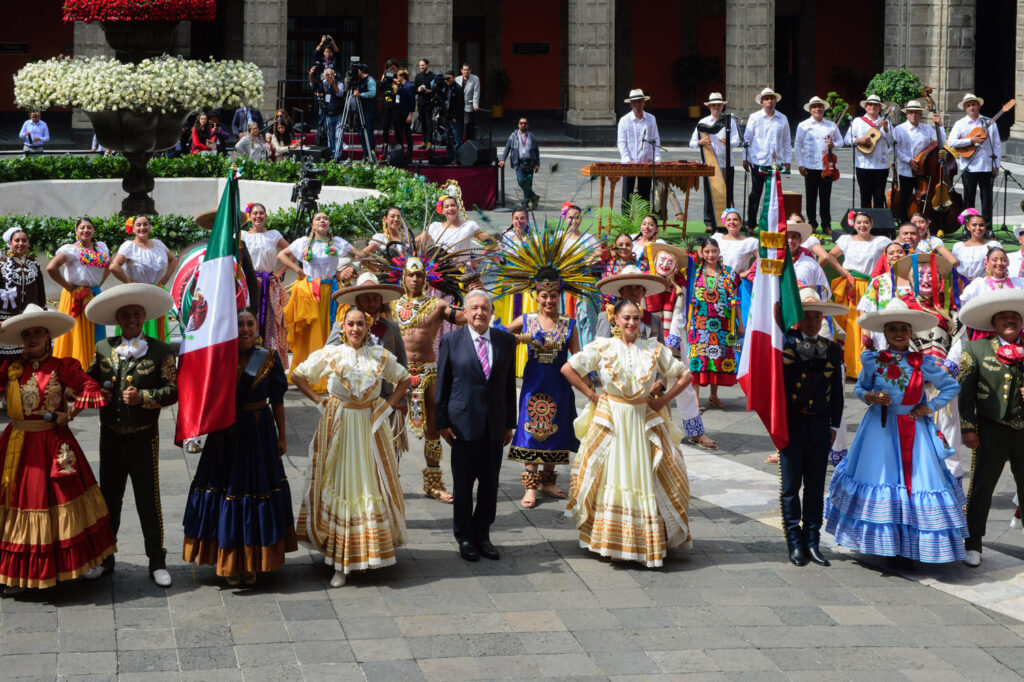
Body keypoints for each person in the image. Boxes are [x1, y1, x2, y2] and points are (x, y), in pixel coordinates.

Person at [826, 299, 967, 566]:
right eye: (893, 329)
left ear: (911, 332)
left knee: (918, 481)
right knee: (882, 479)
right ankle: (886, 545)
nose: (899, 333)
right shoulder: (872, 360)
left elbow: (950, 387)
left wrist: (929, 406)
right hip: (880, 429)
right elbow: (858, 389)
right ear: (885, 334)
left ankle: (911, 546)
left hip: (915, 428)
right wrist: (869, 396)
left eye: (904, 328)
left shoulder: (922, 362)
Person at [561, 299, 693, 567]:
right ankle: (611, 540)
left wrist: (661, 400)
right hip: (613, 419)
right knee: (611, 473)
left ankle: (644, 541)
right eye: (626, 318)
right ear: (616, 320)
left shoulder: (653, 348)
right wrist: (591, 395)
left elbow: (685, 374)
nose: (631, 323)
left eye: (635, 318)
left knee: (644, 475)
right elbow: (568, 368)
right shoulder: (604, 346)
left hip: (642, 419)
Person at [292, 307, 411, 587]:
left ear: (367, 328)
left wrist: (388, 403)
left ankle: (369, 553)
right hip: (340, 426)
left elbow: (405, 378)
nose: (355, 329)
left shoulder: (380, 355)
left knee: (369, 485)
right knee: (342, 484)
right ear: (342, 327)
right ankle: (341, 562)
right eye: (350, 324)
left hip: (370, 427)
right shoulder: (332, 353)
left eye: (360, 324)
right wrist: (320, 401)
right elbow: (298, 375)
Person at [0, 304, 113, 592]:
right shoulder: (11, 369)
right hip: (16, 446)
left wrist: (70, 414)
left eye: (38, 332)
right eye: (27, 334)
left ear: (48, 336)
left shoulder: (63, 366)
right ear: (22, 340)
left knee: (58, 499)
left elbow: (90, 388)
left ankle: (72, 563)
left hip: (52, 443)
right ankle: (15, 567)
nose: (33, 338)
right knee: (16, 502)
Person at [182, 311, 297, 586]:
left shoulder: (268, 358)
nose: (245, 329)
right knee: (227, 489)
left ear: (257, 326)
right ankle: (230, 561)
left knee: (257, 490)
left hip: (259, 434)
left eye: (250, 324)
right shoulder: (219, 356)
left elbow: (278, 401)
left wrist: (282, 437)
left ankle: (255, 561)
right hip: (225, 435)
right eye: (239, 324)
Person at [491, 230, 598, 508]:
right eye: (543, 296)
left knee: (558, 430)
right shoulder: (526, 320)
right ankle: (530, 486)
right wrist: (524, 338)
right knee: (530, 431)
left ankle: (549, 481)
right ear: (536, 296)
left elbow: (578, 359)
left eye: (553, 296)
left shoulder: (568, 324)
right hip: (534, 386)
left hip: (560, 388)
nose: (548, 301)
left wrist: (591, 387)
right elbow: (499, 334)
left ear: (559, 295)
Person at [84, 284, 178, 587]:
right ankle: (105, 559)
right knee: (108, 499)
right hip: (110, 436)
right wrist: (98, 392)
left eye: (137, 314)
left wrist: (145, 397)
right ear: (118, 319)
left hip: (143, 437)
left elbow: (174, 390)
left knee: (147, 501)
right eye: (126, 315)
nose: (132, 319)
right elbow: (86, 381)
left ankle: (157, 560)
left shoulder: (161, 349)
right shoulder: (103, 348)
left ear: (144, 317)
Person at [361, 241, 469, 503]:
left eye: (419, 274)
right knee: (390, 428)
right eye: (410, 274)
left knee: (434, 429)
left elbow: (467, 317)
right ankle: (386, 480)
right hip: (395, 373)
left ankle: (433, 483)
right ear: (403, 277)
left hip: (429, 373)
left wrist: (478, 300)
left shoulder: (437, 306)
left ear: (426, 277)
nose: (414, 278)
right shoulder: (391, 306)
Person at [436, 290, 517, 561]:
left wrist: (510, 423)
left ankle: (483, 534)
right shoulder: (451, 340)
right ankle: (465, 537)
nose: (479, 313)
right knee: (462, 485)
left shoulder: (505, 341)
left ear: (491, 311)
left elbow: (508, 386)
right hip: (462, 424)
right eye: (474, 308)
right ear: (466, 312)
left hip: (495, 424)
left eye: (484, 308)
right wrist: (441, 422)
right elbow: (443, 383)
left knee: (490, 484)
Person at [780, 290, 848, 566]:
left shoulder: (832, 349)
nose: (811, 322)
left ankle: (813, 540)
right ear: (799, 319)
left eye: (817, 317)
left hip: (820, 422)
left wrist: (834, 424)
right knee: (790, 486)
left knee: (816, 485)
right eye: (807, 317)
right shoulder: (785, 344)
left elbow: (838, 391)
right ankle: (794, 542)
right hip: (793, 422)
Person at [958, 289, 1024, 567]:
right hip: (990, 429)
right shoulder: (977, 349)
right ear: (994, 322)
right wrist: (968, 428)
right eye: (1003, 317)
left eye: (1014, 317)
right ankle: (973, 543)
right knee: (981, 489)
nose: (1009, 321)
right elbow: (965, 393)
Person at [328, 272, 408, 458]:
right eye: (367, 298)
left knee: (384, 454)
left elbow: (402, 364)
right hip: (353, 405)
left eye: (375, 298)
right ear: (358, 301)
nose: (372, 303)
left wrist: (402, 399)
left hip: (385, 402)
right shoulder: (342, 327)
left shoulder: (390, 328)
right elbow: (329, 356)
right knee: (356, 455)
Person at [278, 212, 355, 390]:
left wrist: (347, 269)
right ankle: (311, 374)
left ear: (329, 224)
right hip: (310, 291)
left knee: (331, 329)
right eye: (318, 219)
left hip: (332, 290)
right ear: (312, 224)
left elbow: (356, 254)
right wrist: (298, 270)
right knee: (312, 331)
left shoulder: (337, 242)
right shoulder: (304, 242)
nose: (322, 221)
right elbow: (282, 255)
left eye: (325, 218)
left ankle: (331, 374)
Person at [829, 210, 892, 377]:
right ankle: (853, 366)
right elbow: (831, 256)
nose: (862, 225)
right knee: (853, 324)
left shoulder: (881, 241)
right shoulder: (846, 240)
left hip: (871, 285)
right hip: (852, 284)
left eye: (865, 222)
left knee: (867, 324)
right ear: (853, 224)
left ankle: (868, 366)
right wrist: (844, 273)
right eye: (859, 222)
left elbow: (891, 255)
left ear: (871, 224)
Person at [46, 217, 110, 369]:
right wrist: (68, 287)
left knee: (96, 332)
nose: (85, 230)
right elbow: (51, 267)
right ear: (76, 231)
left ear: (93, 230)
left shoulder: (100, 248)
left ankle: (95, 368)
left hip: (94, 294)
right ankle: (78, 369)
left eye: (89, 227)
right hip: (76, 296)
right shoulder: (72, 250)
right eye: (82, 228)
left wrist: (99, 283)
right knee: (78, 335)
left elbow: (109, 264)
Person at [687, 237, 743, 408]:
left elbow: (735, 300)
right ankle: (695, 399)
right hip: (700, 324)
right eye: (707, 251)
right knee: (697, 358)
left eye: (714, 251)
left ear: (719, 252)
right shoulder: (695, 273)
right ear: (701, 253)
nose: (711, 254)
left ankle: (713, 395)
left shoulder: (729, 273)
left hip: (723, 325)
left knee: (717, 358)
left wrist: (740, 323)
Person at [109, 215, 179, 341]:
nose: (142, 227)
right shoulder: (129, 246)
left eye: (145, 224)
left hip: (156, 291)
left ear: (150, 227)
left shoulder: (158, 244)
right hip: (137, 293)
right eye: (139, 225)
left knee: (155, 321)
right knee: (138, 321)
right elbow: (114, 266)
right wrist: (129, 282)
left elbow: (173, 259)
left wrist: (166, 278)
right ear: (133, 229)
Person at [241, 203, 291, 360]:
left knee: (272, 322)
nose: (258, 216)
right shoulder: (243, 235)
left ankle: (271, 360)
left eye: (261, 213)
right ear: (250, 217)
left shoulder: (273, 235)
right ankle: (248, 357)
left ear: (266, 216)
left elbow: (292, 252)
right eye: (255, 213)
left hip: (269, 284)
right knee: (249, 317)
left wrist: (280, 272)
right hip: (248, 283)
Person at [948, 93, 1002, 228]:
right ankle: (968, 227)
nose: (971, 107)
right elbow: (952, 142)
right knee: (968, 199)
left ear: (978, 106)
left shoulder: (988, 122)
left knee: (987, 200)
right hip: (969, 167)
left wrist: (996, 165)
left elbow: (997, 145)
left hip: (987, 166)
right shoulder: (960, 124)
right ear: (965, 109)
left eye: (973, 104)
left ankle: (987, 227)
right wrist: (971, 140)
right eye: (968, 105)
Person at [689, 92, 741, 232]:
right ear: (709, 107)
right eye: (713, 105)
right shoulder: (703, 122)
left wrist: (729, 142)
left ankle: (728, 220)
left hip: (726, 163)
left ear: (723, 106)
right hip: (709, 164)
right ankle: (709, 222)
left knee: (727, 193)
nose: (716, 107)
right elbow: (692, 142)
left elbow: (737, 141)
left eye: (718, 105)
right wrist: (700, 142)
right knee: (708, 193)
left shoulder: (730, 121)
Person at [794, 96, 844, 236]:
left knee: (825, 197)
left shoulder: (831, 125)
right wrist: (800, 164)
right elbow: (797, 145)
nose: (817, 109)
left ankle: (826, 224)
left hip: (826, 167)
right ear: (810, 109)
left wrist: (834, 145)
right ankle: (812, 223)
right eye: (814, 107)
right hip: (809, 165)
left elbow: (841, 142)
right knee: (811, 197)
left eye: (820, 107)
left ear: (824, 109)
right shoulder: (803, 125)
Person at [743, 88, 791, 230]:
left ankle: (771, 224)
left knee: (774, 196)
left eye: (772, 98)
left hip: (776, 163)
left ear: (775, 101)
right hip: (759, 161)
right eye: (767, 99)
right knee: (755, 193)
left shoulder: (782, 118)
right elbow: (747, 139)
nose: (770, 101)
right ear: (762, 102)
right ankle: (751, 223)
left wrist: (788, 160)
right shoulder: (754, 117)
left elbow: (787, 141)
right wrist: (745, 158)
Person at [893, 100, 944, 223]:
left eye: (916, 113)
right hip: (906, 169)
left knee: (925, 197)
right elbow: (895, 149)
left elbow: (941, 143)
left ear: (920, 114)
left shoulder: (927, 129)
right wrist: (908, 160)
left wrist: (940, 125)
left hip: (924, 170)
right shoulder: (899, 129)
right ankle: (904, 221)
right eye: (910, 113)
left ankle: (923, 222)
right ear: (906, 114)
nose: (913, 115)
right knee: (905, 197)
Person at [0, 228, 46, 359]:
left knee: (26, 357)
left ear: (28, 244)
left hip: (28, 320)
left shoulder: (34, 264)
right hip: (6, 320)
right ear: (9, 243)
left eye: (24, 240)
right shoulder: (1, 265)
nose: (21, 243)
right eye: (17, 240)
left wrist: (42, 316)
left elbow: (41, 294)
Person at [845, 94, 892, 209]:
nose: (873, 107)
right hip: (862, 165)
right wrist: (858, 140)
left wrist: (886, 129)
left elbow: (892, 142)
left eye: (876, 105)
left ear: (880, 108)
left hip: (881, 166)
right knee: (865, 197)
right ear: (865, 107)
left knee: (879, 197)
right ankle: (864, 224)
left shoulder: (886, 122)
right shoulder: (857, 121)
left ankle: (878, 225)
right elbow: (846, 140)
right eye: (870, 104)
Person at [617, 89, 660, 208]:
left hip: (646, 162)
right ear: (630, 104)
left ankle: (644, 222)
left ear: (643, 102)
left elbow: (655, 139)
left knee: (645, 196)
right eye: (634, 102)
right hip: (629, 163)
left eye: (639, 101)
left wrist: (656, 157)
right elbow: (621, 142)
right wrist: (626, 159)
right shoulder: (624, 121)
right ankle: (625, 224)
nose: (637, 104)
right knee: (627, 196)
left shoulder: (651, 119)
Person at [960, 246, 1024, 307]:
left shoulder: (1019, 283)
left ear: (1008, 262)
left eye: (1003, 260)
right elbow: (964, 301)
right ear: (986, 263)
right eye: (994, 260)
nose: (999, 263)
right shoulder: (979, 284)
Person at [499, 117, 541, 210]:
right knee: (521, 181)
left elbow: (536, 150)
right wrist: (503, 159)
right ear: (518, 125)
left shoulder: (531, 136)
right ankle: (534, 197)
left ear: (527, 125)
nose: (523, 125)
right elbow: (507, 147)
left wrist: (537, 164)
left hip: (530, 163)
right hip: (519, 163)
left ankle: (525, 204)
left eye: (525, 123)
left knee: (528, 184)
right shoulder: (513, 136)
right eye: (521, 123)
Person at [952, 210, 1000, 282]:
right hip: (962, 286)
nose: (978, 228)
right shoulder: (958, 247)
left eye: (981, 225)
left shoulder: (993, 245)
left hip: (984, 285)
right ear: (968, 226)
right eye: (974, 225)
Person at [351, 63, 378, 159]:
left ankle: (371, 155)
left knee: (368, 133)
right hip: (361, 110)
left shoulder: (370, 80)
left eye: (357, 71)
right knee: (361, 133)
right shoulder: (359, 81)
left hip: (369, 111)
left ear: (361, 71)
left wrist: (361, 94)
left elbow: (373, 93)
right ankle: (366, 154)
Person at [319, 68, 345, 160]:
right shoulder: (322, 84)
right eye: (328, 75)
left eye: (332, 75)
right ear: (324, 76)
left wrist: (332, 83)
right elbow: (315, 88)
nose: (330, 77)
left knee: (339, 136)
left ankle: (337, 156)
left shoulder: (339, 83)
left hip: (338, 113)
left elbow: (340, 94)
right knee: (330, 136)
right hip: (328, 113)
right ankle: (331, 154)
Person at [378, 58, 400, 156]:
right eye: (390, 69)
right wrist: (386, 79)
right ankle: (385, 142)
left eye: (394, 69)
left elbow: (403, 85)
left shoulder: (400, 75)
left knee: (397, 124)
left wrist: (396, 80)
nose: (392, 71)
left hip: (397, 102)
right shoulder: (385, 75)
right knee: (385, 124)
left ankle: (399, 143)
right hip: (387, 102)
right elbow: (382, 89)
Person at [442, 70, 465, 161]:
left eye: (449, 78)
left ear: (454, 77)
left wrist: (455, 116)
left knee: (457, 139)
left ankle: (459, 159)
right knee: (448, 139)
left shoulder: (458, 88)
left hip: (455, 118)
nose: (447, 80)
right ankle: (450, 157)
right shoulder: (446, 88)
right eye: (446, 78)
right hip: (447, 117)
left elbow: (460, 105)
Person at [394, 69, 416, 160]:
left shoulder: (409, 86)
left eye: (398, 76)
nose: (397, 77)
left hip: (406, 113)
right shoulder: (399, 86)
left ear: (402, 76)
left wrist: (410, 114)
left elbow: (412, 101)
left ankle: (409, 154)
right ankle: (401, 152)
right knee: (398, 133)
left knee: (407, 134)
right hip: (399, 112)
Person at [456, 63, 481, 141]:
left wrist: (475, 104)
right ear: (461, 71)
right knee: (458, 123)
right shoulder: (457, 79)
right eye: (464, 70)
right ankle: (459, 139)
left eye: (467, 70)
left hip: (469, 105)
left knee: (467, 123)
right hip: (459, 105)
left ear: (470, 70)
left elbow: (476, 92)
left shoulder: (475, 79)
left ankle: (467, 140)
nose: (466, 71)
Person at [414, 58, 435, 150]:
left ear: (427, 65)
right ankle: (423, 141)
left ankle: (429, 141)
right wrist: (418, 89)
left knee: (428, 122)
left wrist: (428, 90)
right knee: (422, 122)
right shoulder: (418, 76)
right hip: (420, 102)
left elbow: (436, 91)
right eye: (420, 65)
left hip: (429, 102)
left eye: (423, 65)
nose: (421, 67)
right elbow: (414, 89)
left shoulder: (433, 76)